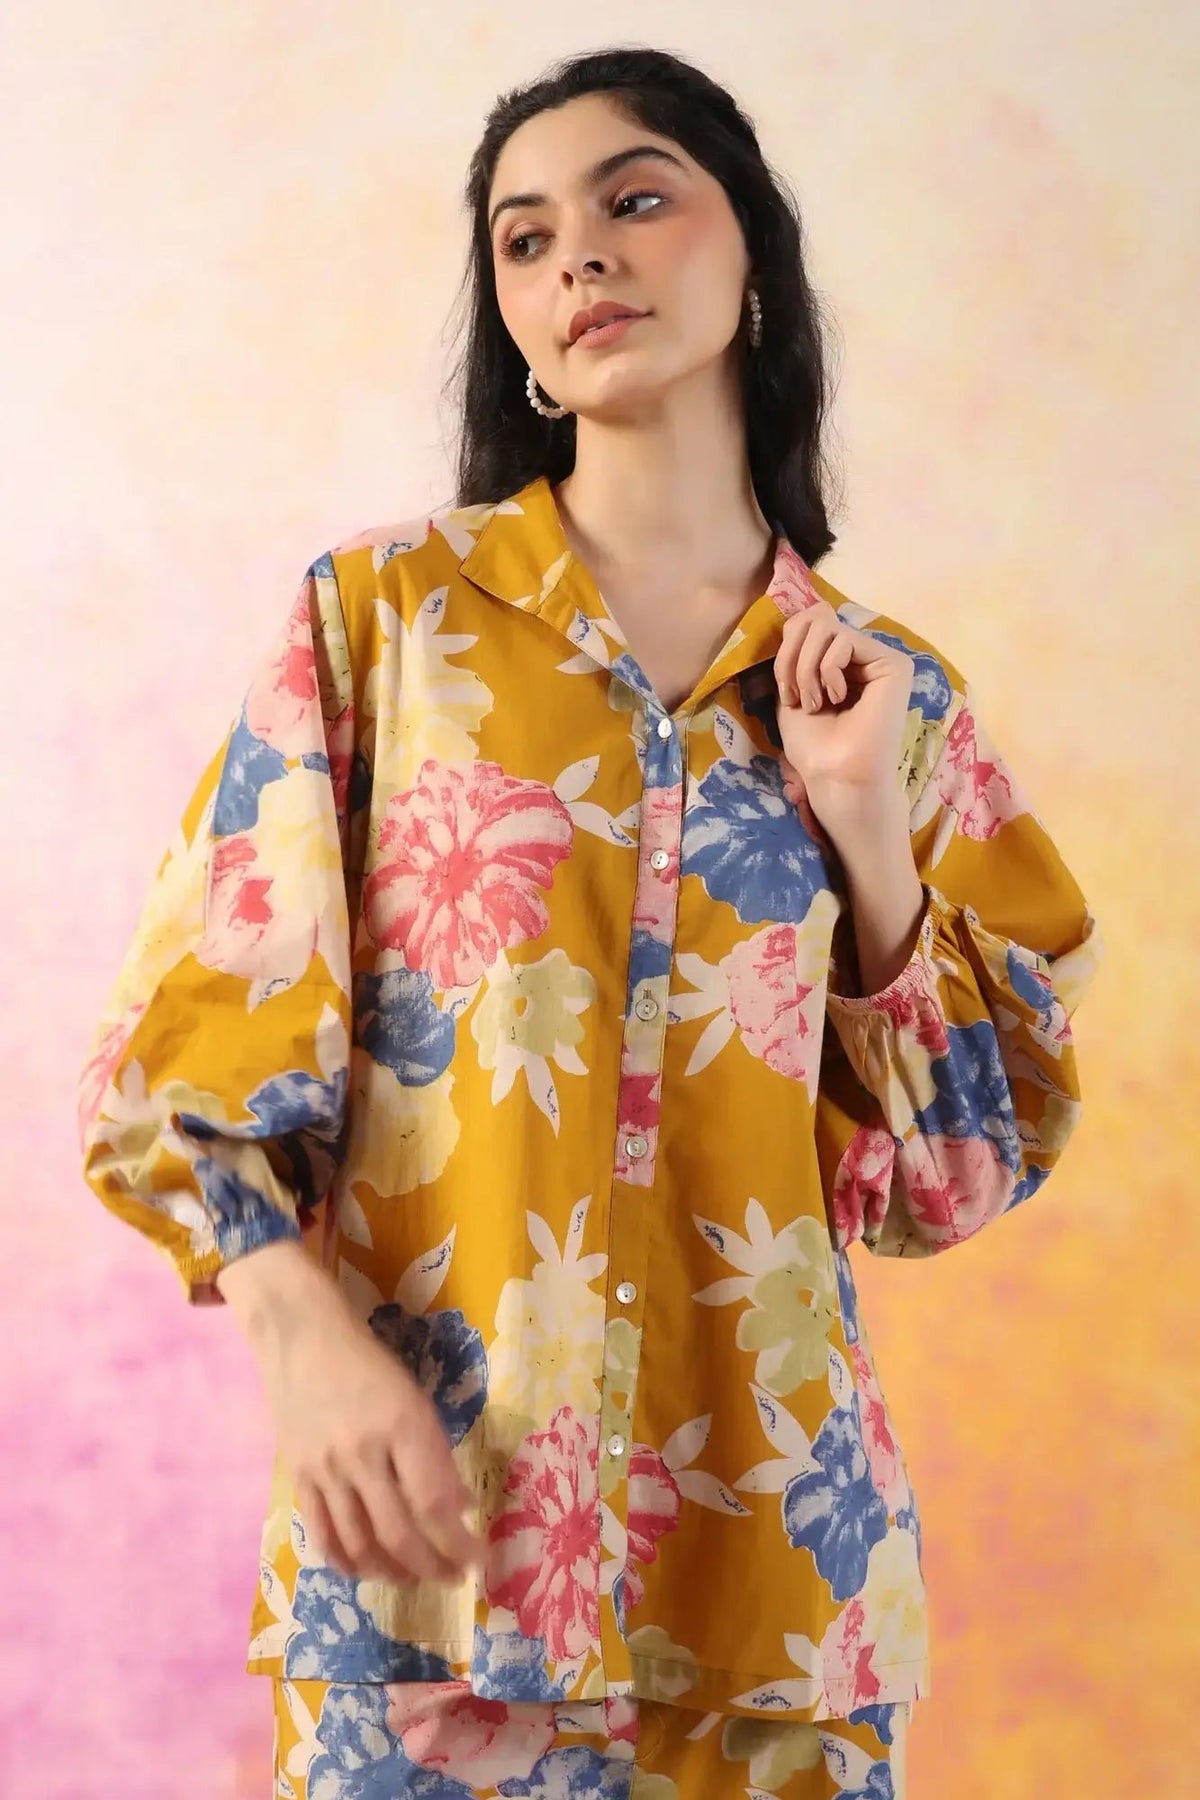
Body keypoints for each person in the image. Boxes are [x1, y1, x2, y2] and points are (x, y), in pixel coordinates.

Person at [77, 43, 1103, 1800]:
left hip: (773, 1612)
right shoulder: (383, 625)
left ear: (753, 254)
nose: (582, 259)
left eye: (636, 201)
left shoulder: (891, 700)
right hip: (422, 1586)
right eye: (527, 237)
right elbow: (188, 1050)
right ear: (518, 329)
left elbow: (950, 1177)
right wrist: (298, 1337)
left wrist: (865, 834)